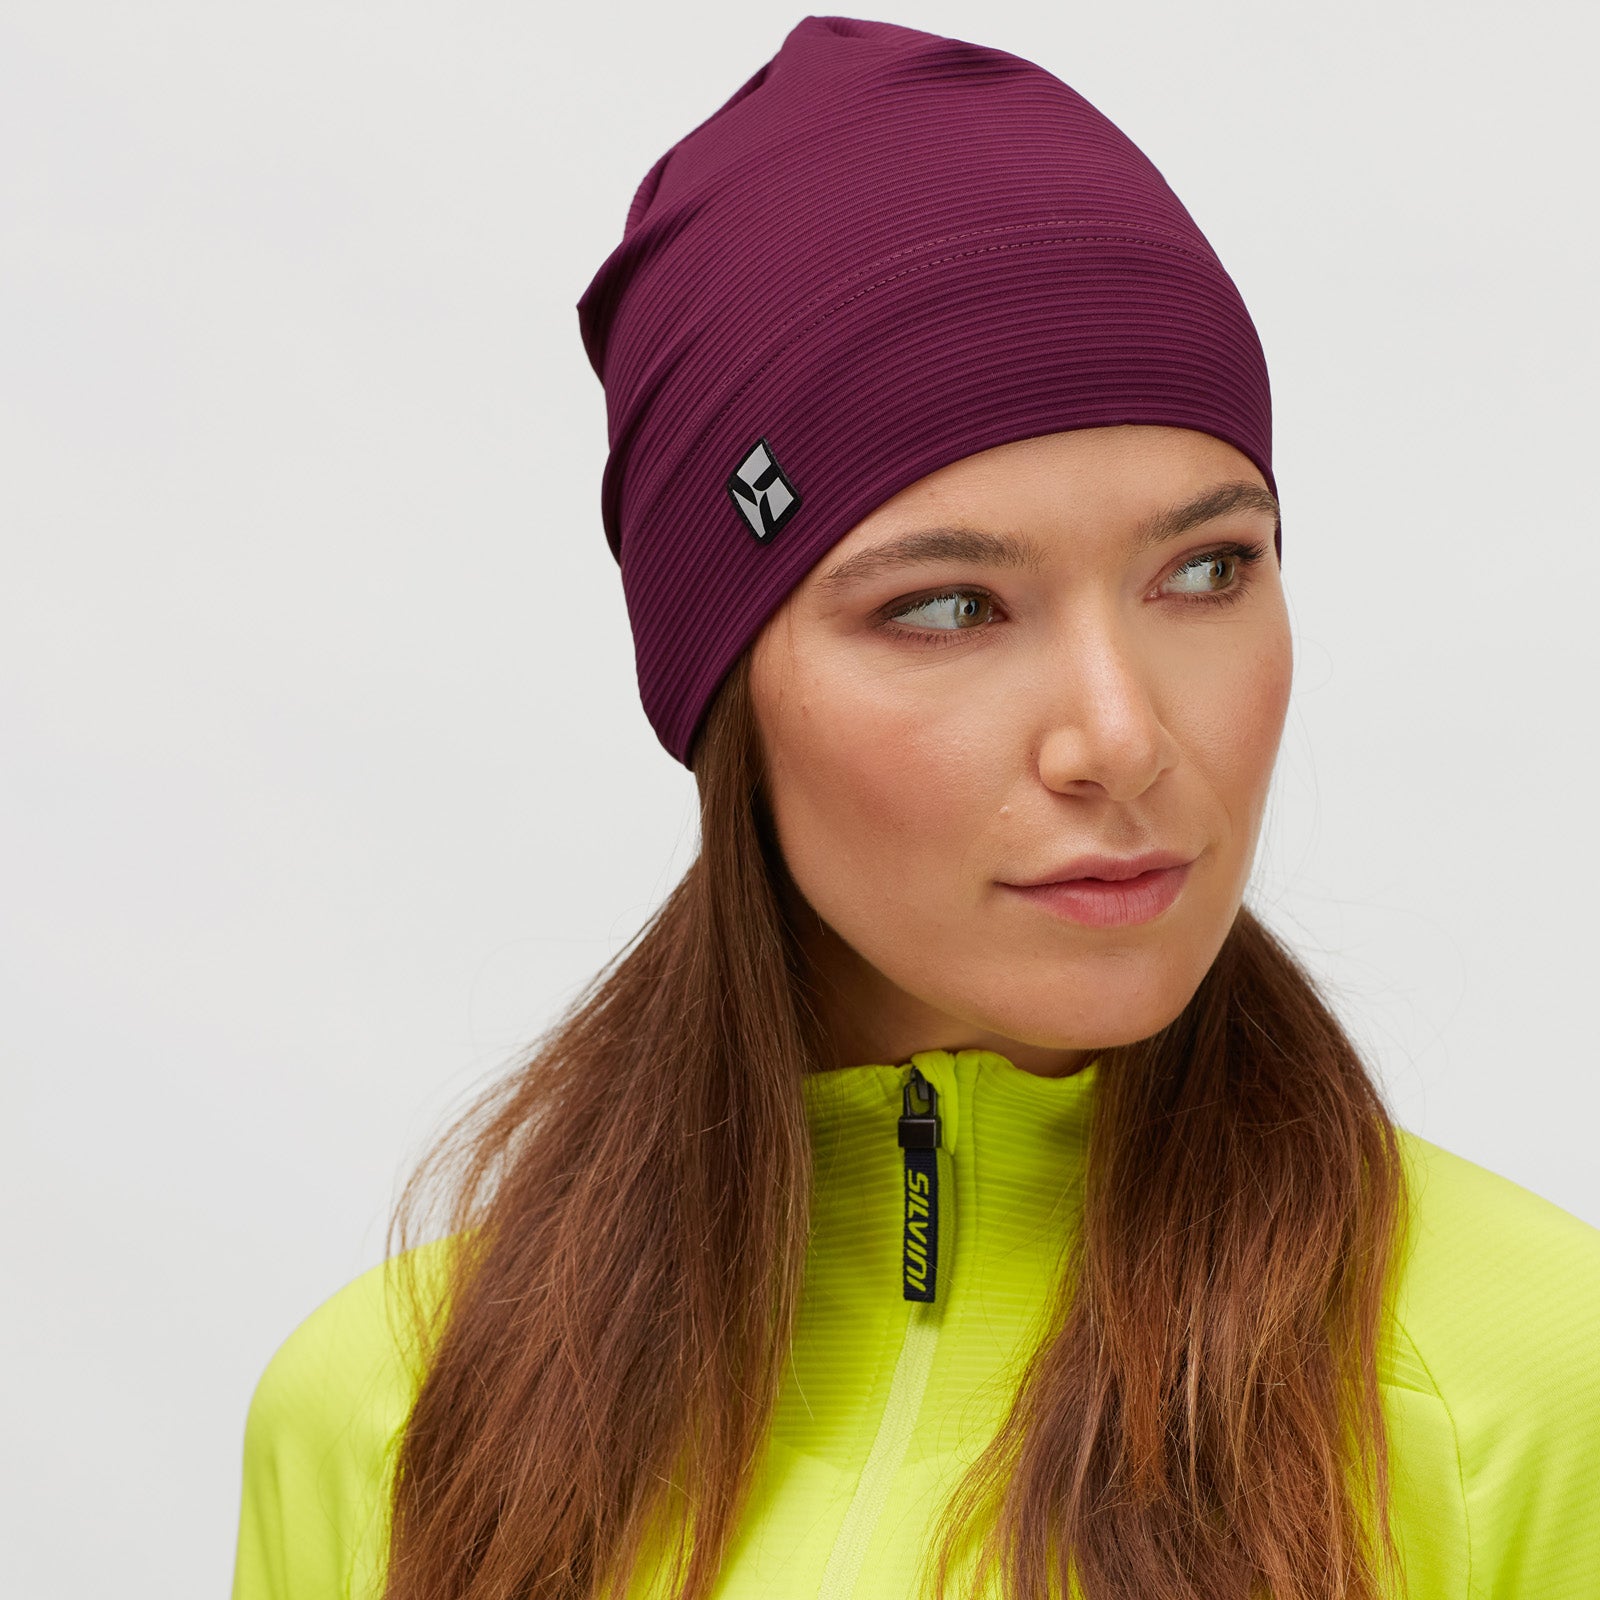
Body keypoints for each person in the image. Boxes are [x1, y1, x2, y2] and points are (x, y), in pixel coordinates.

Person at [229, 15, 1600, 1600]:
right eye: (950, 608)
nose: (1119, 737)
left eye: (1206, 570)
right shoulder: (389, 1422)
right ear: (725, 686)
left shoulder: (1529, 1401)